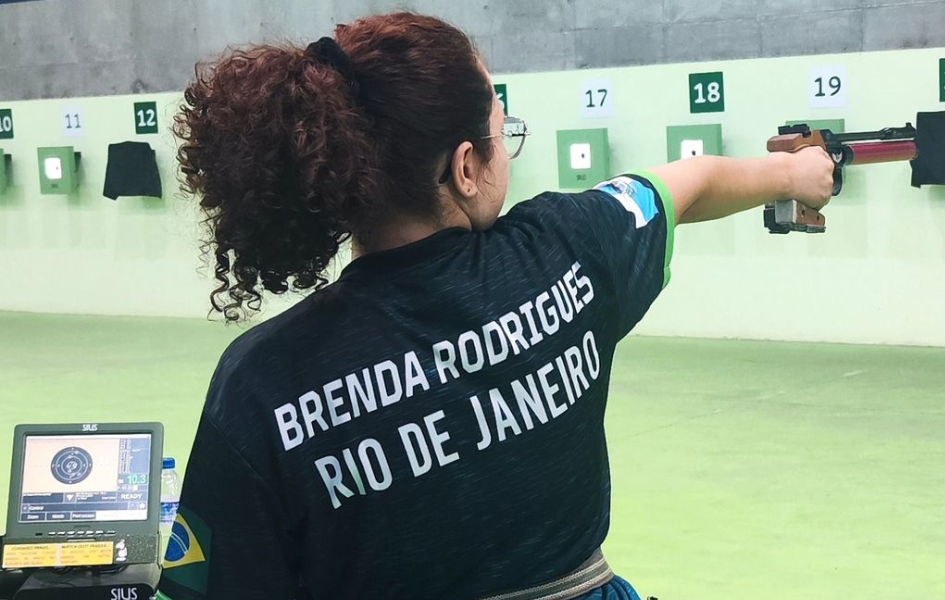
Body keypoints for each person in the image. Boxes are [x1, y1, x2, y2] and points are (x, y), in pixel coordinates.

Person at [157, 12, 833, 600]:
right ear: (465, 168)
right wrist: (797, 173)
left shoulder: (262, 380)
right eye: (501, 133)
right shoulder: (568, 251)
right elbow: (690, 183)